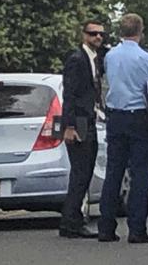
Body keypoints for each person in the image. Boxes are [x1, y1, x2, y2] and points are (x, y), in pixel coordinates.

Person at [98, 13, 148, 244]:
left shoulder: (110, 56)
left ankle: (106, 228)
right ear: (140, 31)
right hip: (139, 117)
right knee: (141, 174)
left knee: (114, 172)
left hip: (115, 117)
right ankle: (137, 229)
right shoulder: (146, 57)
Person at [59, 20, 107, 238]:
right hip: (78, 120)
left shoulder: (95, 59)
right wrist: (68, 126)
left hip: (88, 118)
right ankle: (71, 222)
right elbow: (69, 94)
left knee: (85, 172)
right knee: (80, 172)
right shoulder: (77, 59)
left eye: (100, 34)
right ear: (84, 35)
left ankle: (73, 220)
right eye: (93, 33)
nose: (97, 37)